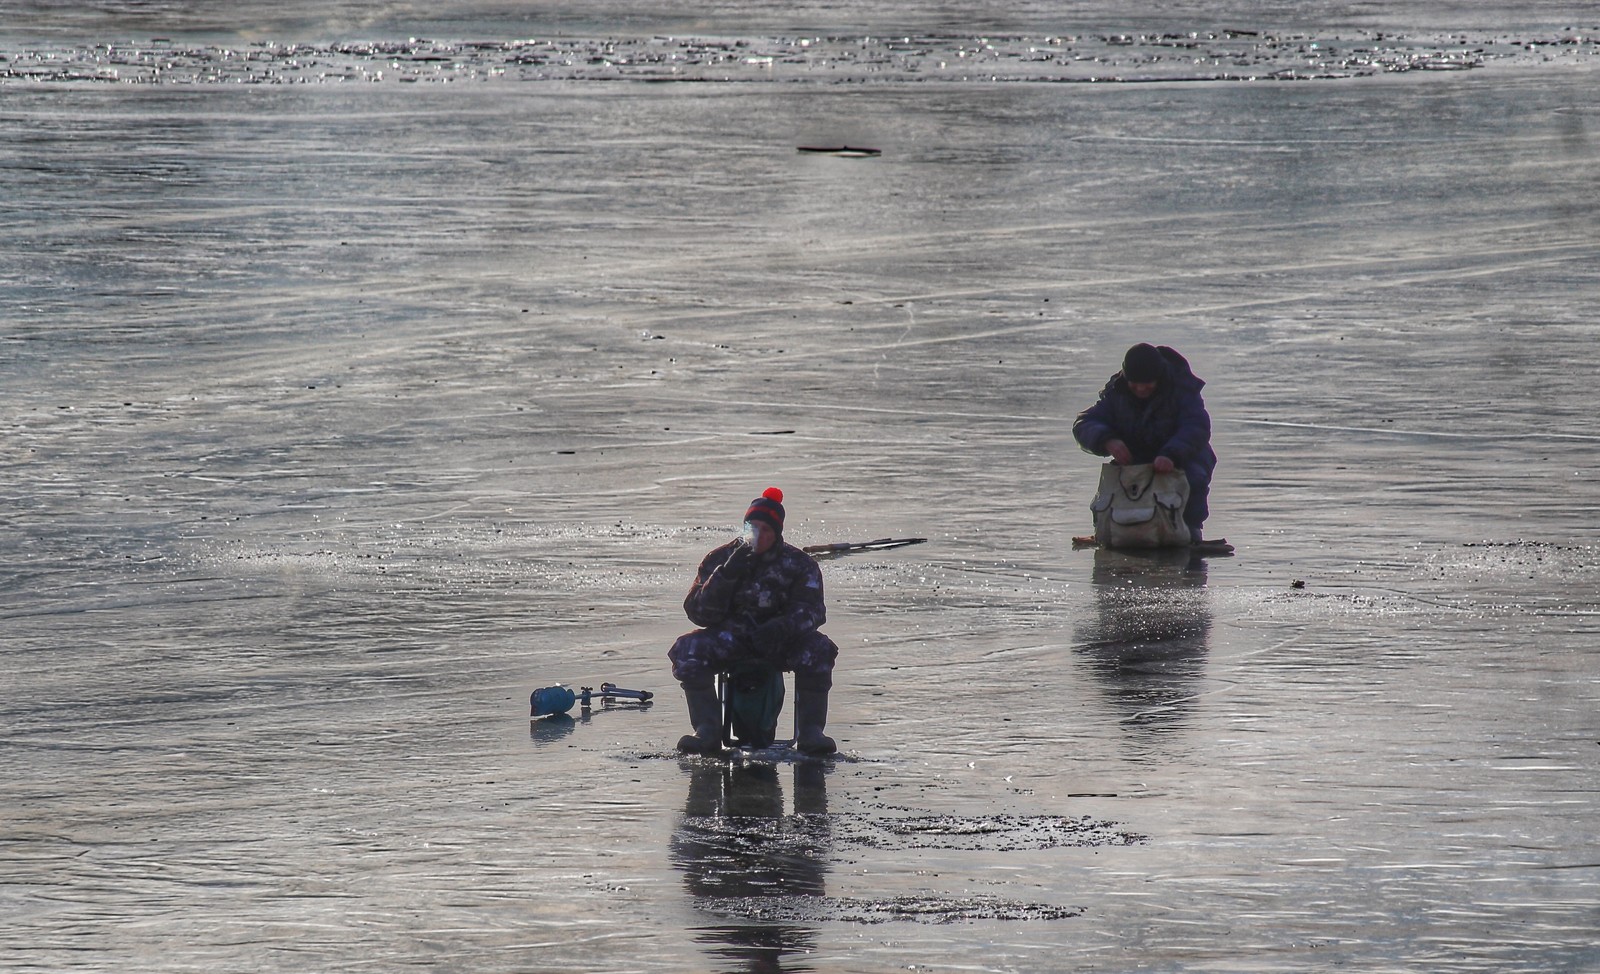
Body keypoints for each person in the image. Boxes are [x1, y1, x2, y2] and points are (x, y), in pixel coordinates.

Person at [668, 487, 839, 756]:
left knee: (819, 649)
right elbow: (698, 612)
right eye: (752, 527)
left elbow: (813, 611)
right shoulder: (720, 559)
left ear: (777, 533)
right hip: (732, 638)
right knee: (688, 649)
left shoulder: (799, 564)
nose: (758, 535)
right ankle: (707, 731)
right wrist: (725, 576)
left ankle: (811, 732)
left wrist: (782, 628)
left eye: (766, 529)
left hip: (780, 641)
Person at [1073, 343, 1216, 542]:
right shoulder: (1117, 392)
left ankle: (1190, 528)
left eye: (1148, 383)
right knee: (1117, 485)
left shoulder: (1182, 389)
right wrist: (1108, 440)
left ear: (1158, 378)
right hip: (1136, 458)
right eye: (1134, 383)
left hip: (1183, 456)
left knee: (1194, 477)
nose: (1141, 388)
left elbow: (1196, 426)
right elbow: (1084, 422)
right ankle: (1114, 526)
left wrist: (1171, 454)